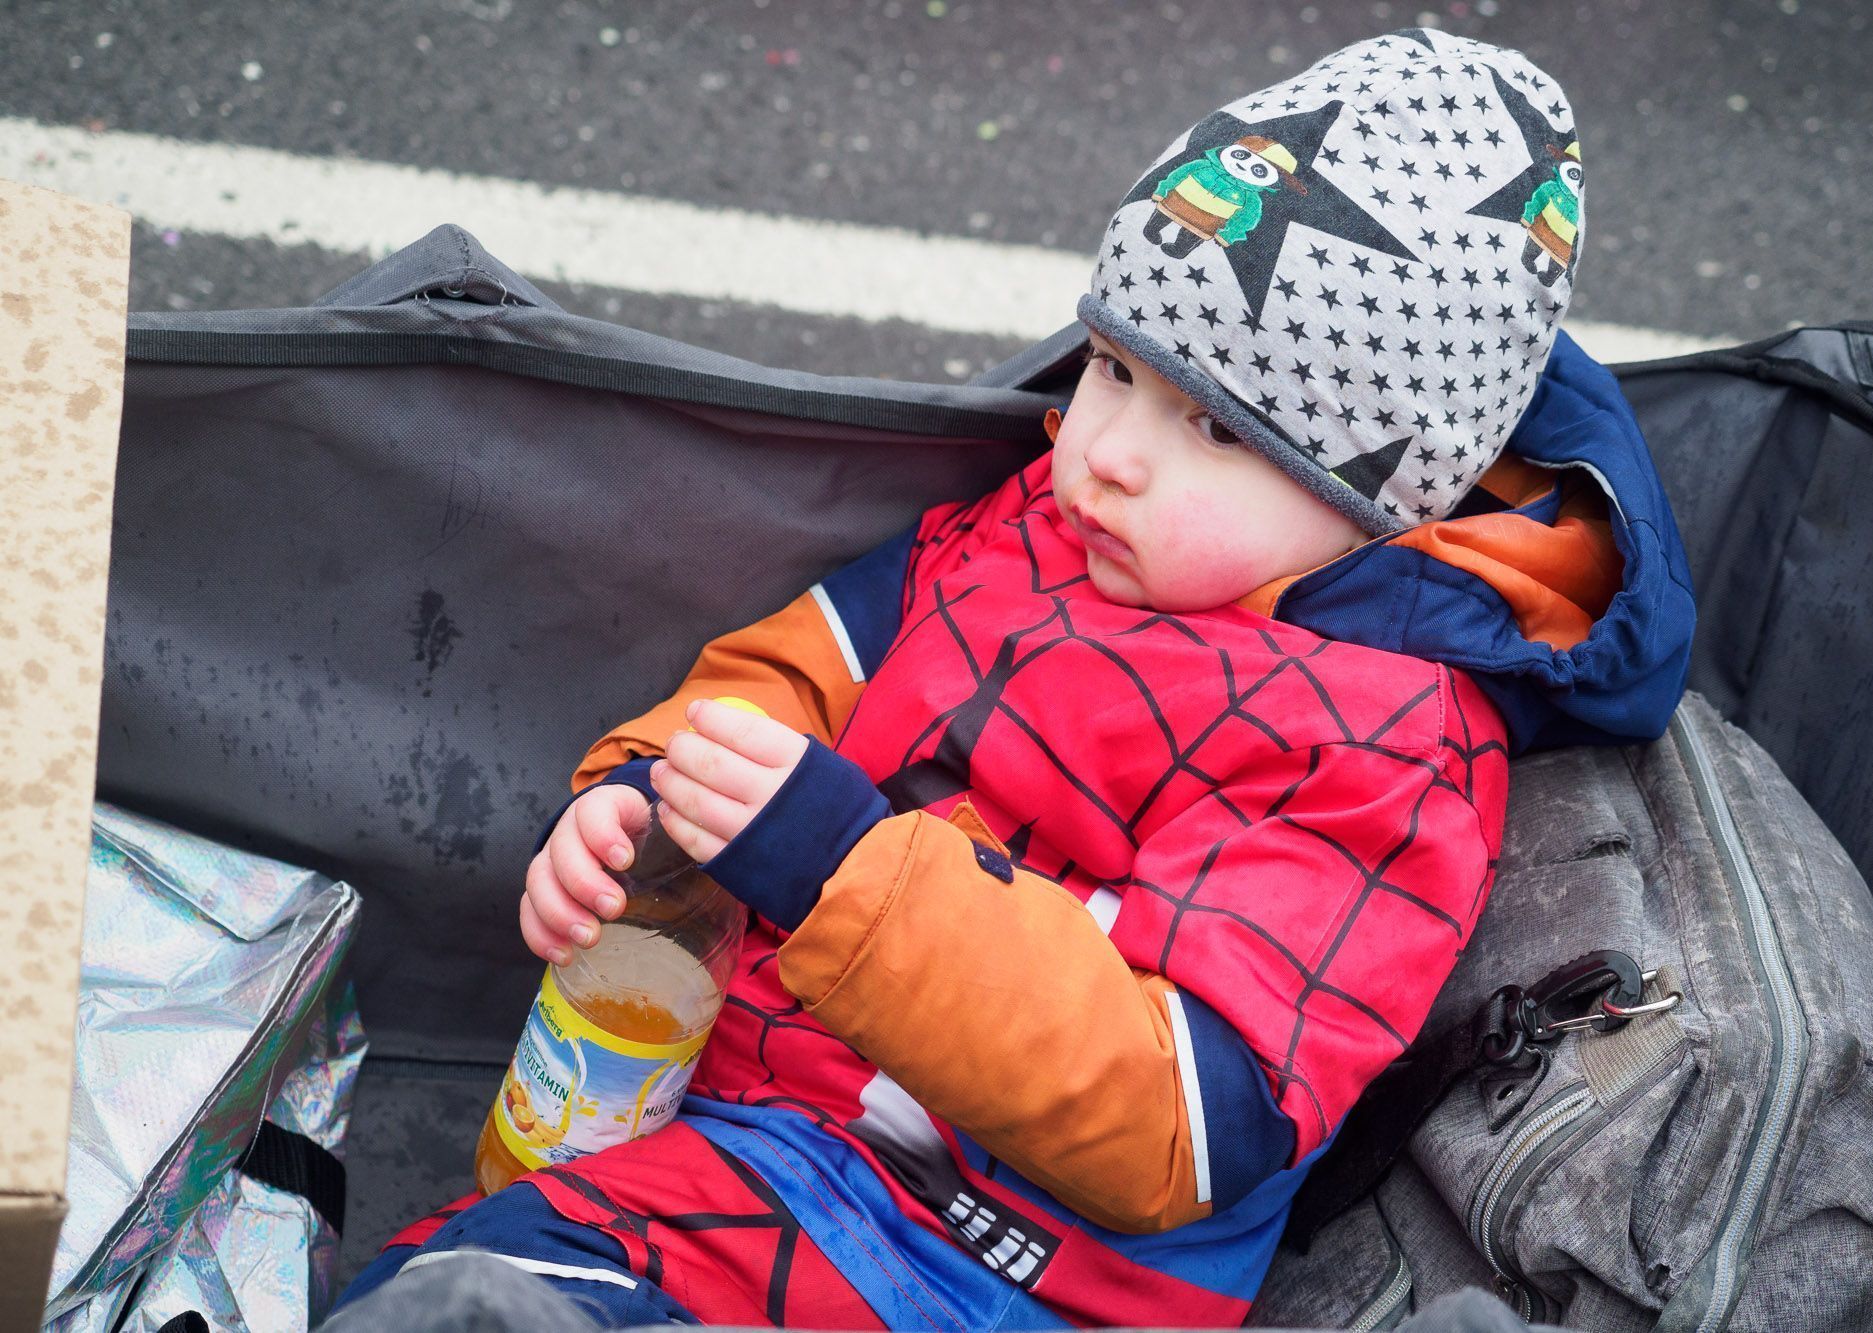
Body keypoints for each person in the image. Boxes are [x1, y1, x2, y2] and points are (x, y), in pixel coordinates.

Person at [338, 28, 1694, 1330]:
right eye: (1113, 365)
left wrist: (838, 867)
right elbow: (798, 667)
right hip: (746, 1112)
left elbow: (1186, 1114)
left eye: (1213, 423)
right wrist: (643, 797)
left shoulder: (1386, 746)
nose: (1103, 448)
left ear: (1382, 498)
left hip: (968, 1252)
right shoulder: (1044, 531)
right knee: (462, 1274)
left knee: (465, 1294)